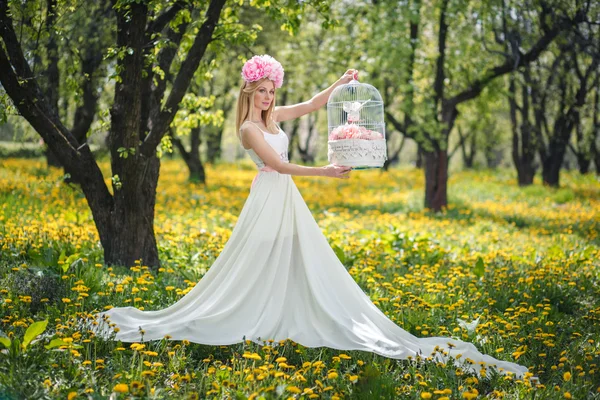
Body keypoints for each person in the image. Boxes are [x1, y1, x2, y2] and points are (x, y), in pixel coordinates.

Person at [86, 54, 530, 380]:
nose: (269, 98)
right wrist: (325, 172)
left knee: (298, 255)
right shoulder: (247, 129)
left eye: (272, 91)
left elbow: (314, 106)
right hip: (269, 196)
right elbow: (277, 167)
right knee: (259, 257)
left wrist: (339, 82)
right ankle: (256, 314)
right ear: (249, 93)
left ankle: (283, 309)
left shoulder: (276, 115)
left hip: (287, 199)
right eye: (262, 91)